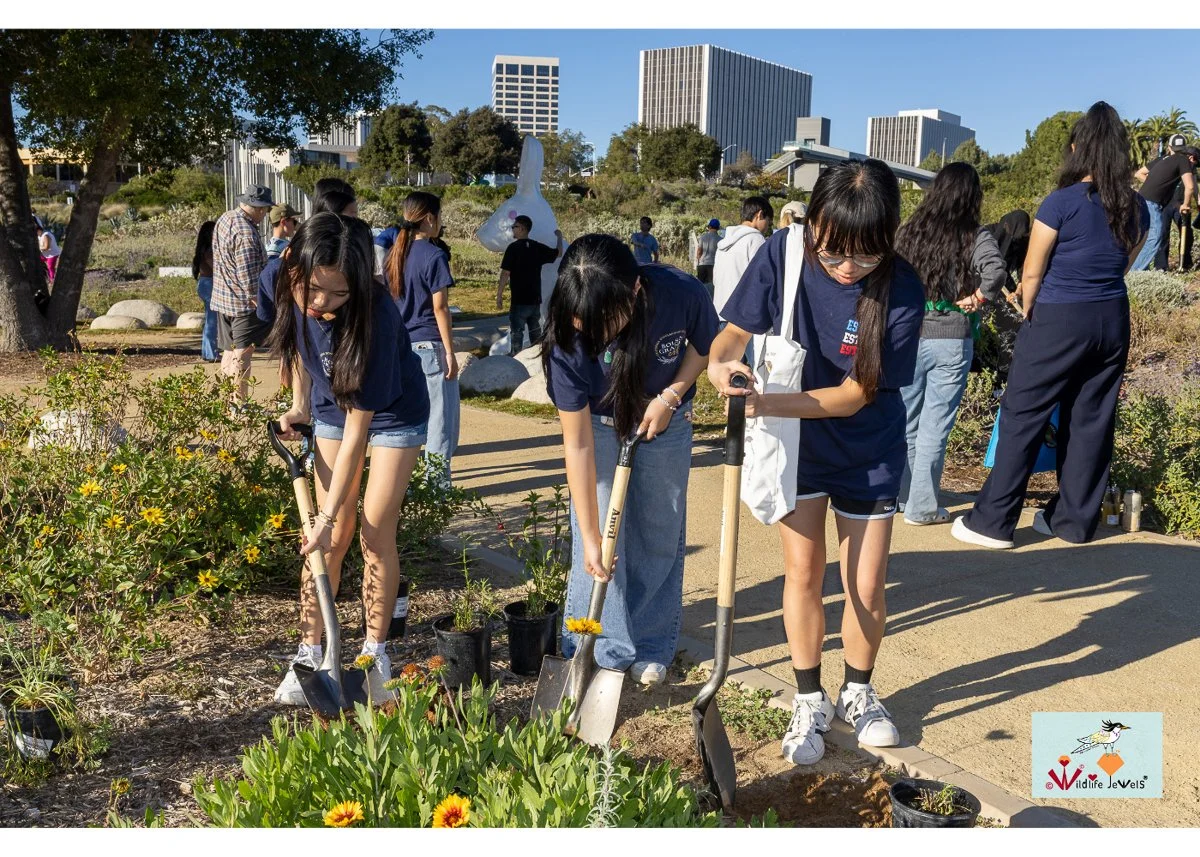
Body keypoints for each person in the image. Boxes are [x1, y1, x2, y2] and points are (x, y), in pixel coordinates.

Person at [709, 159, 924, 766]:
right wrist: (723, 366)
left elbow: (855, 395)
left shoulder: (902, 286)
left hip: (867, 447)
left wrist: (765, 403)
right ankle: (809, 698)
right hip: (795, 447)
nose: (847, 267)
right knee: (802, 573)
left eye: (865, 255)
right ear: (815, 225)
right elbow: (730, 336)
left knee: (865, 583)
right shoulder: (782, 253)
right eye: (833, 252)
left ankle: (859, 690)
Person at [953, 102, 1149, 550]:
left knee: (1023, 413)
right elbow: (1124, 266)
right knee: (1092, 418)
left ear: (1078, 147)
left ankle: (992, 523)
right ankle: (1073, 522)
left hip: (1059, 316)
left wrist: (1029, 314)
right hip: (1112, 318)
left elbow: (1032, 272)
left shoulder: (1061, 202)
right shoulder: (1137, 207)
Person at [267, 212, 430, 705]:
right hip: (329, 406)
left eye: (339, 294)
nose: (322, 303)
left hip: (393, 413)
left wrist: (324, 517)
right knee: (330, 541)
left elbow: (360, 432)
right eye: (313, 289)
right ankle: (309, 655)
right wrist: (299, 404)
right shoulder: (284, 281)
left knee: (375, 532)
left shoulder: (377, 318)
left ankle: (373, 655)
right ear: (294, 264)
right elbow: (299, 346)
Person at [543, 234, 719, 686]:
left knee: (659, 532)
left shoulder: (681, 292)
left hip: (666, 419)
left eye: (606, 320)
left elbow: (703, 347)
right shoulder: (565, 338)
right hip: (599, 426)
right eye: (584, 323)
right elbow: (577, 445)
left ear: (635, 289)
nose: (595, 333)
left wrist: (671, 395)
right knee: (600, 537)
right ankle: (600, 649)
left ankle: (650, 643)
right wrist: (589, 537)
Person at [894, 162, 1007, 526]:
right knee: (935, 427)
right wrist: (978, 298)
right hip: (951, 338)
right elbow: (996, 270)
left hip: (910, 335)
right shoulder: (974, 235)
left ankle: (902, 498)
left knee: (906, 421)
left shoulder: (910, 231)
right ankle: (922, 508)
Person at [385, 191, 459, 483]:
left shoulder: (394, 254)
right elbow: (440, 307)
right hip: (430, 345)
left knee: (410, 421)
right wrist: (450, 352)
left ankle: (408, 483)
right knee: (440, 422)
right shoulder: (435, 255)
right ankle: (437, 487)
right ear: (430, 218)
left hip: (402, 347)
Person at [211, 184, 274, 404]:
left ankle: (229, 402)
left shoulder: (225, 218)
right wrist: (259, 301)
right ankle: (238, 404)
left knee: (229, 353)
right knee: (242, 355)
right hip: (243, 305)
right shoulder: (246, 233)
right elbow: (247, 274)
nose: (265, 215)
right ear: (259, 208)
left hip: (222, 298)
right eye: (265, 209)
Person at [496, 215, 563, 351]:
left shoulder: (513, 248)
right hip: (535, 301)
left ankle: (516, 359)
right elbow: (559, 253)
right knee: (535, 334)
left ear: (521, 228)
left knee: (517, 333)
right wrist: (559, 237)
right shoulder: (537, 247)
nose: (512, 229)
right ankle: (538, 358)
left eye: (514, 226)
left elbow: (505, 273)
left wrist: (499, 295)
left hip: (519, 301)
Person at [1130, 133, 1197, 271]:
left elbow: (1139, 173)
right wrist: (1185, 204)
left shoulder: (1163, 159)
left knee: (1144, 237)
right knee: (1155, 236)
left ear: (1169, 147)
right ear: (1185, 148)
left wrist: (1157, 185)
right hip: (1151, 203)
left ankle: (1138, 269)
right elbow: (1190, 186)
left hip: (1139, 200)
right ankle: (1135, 272)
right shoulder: (1183, 160)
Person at [713, 196, 773, 319]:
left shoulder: (724, 242)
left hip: (719, 312)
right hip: (741, 318)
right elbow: (760, 280)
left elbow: (715, 279)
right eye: (768, 221)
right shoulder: (756, 239)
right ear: (760, 215)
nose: (767, 227)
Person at [192, 221, 219, 362]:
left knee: (210, 319)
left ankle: (207, 351)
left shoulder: (203, 249)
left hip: (205, 283)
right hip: (209, 284)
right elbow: (216, 268)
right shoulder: (209, 251)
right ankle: (211, 353)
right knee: (212, 320)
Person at [695, 219, 721, 293]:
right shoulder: (720, 240)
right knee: (711, 288)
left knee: (700, 287)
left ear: (709, 226)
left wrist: (698, 261)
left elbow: (699, 251)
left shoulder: (703, 237)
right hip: (713, 266)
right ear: (718, 228)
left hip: (702, 264)